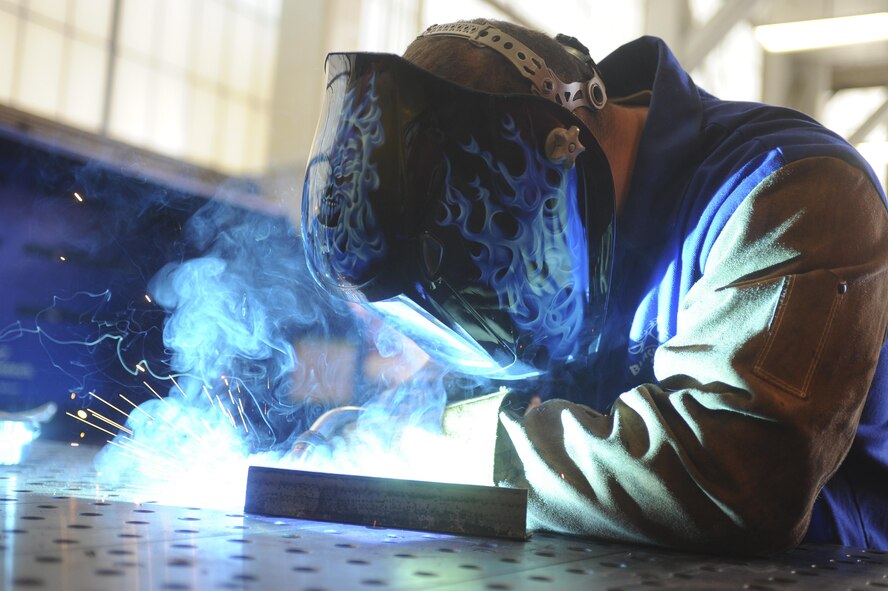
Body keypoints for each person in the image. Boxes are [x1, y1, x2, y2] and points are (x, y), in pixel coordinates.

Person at [300, 18, 888, 553]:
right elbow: (478, 400)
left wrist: (442, 446)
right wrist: (363, 436)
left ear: (561, 151)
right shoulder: (536, 240)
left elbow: (736, 480)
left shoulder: (793, 192)